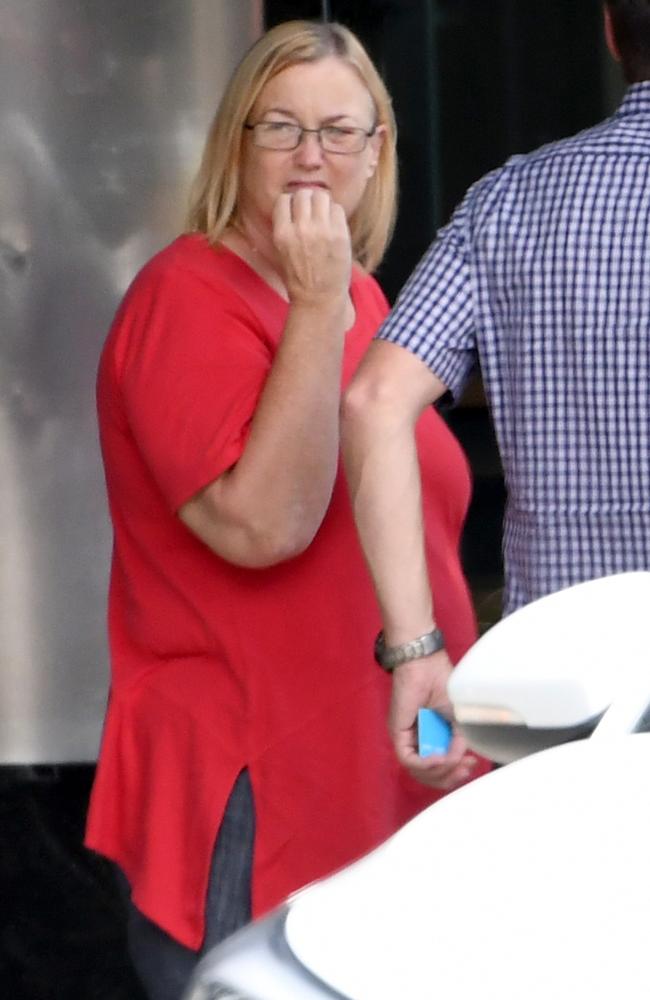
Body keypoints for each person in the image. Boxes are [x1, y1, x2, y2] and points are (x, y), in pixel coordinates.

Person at [84, 19, 490, 1000]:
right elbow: (263, 528)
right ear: (236, 143)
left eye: (340, 131)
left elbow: (407, 561)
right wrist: (314, 310)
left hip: (386, 770)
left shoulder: (361, 297)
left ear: (376, 153)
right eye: (281, 128)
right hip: (259, 790)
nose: (312, 155)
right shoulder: (185, 296)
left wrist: (451, 738)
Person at [342, 0, 650, 790]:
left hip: (558, 702)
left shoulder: (509, 203)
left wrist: (417, 654)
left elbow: (373, 403)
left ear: (611, 33)